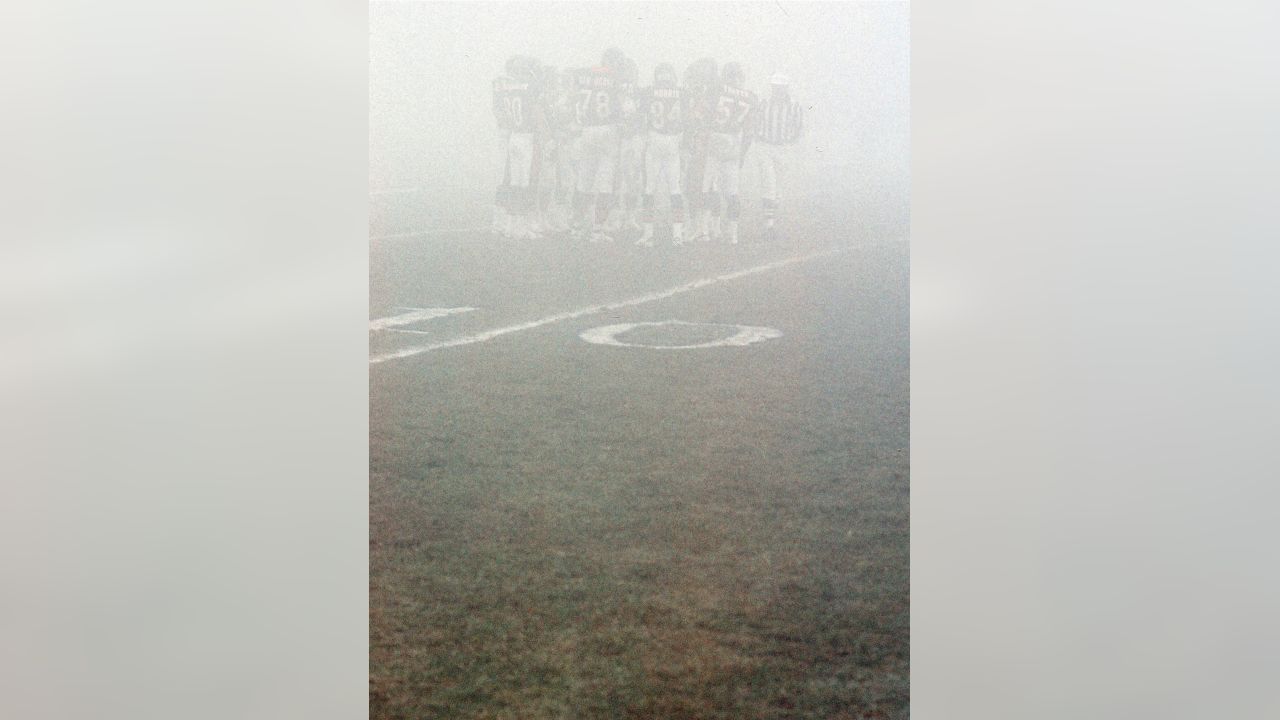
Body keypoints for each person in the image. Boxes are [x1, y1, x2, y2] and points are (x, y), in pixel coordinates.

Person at [697, 62, 758, 245]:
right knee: (732, 192)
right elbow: (749, 131)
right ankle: (733, 235)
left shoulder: (716, 89)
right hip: (734, 143)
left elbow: (701, 113)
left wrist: (702, 137)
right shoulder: (750, 97)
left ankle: (705, 231)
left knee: (707, 186)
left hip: (716, 138)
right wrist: (742, 154)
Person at [492, 55, 543, 240]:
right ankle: (516, 225)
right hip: (524, 136)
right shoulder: (526, 87)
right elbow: (535, 113)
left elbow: (498, 110)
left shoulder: (505, 87)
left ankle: (509, 225)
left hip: (513, 135)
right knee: (521, 183)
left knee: (514, 182)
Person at [636, 62, 685, 246]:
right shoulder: (681, 93)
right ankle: (677, 234)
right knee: (675, 189)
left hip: (654, 140)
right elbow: (686, 119)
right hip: (672, 141)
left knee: (649, 188)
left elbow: (640, 115)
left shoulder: (649, 92)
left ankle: (648, 234)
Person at [753, 73, 805, 239]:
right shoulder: (763, 104)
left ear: (786, 89)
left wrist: (789, 142)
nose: (777, 91)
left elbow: (799, 128)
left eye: (780, 88)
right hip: (765, 146)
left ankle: (771, 216)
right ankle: (769, 224)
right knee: (769, 183)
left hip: (783, 149)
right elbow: (755, 122)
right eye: (775, 88)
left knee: (778, 188)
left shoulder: (795, 106)